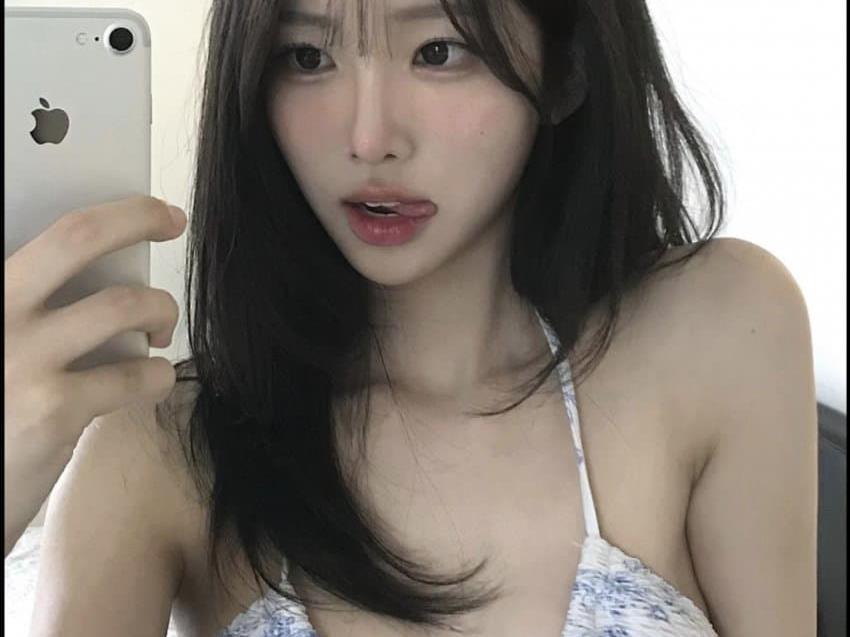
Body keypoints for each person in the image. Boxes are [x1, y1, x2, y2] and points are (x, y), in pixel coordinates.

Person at [6, 0, 818, 635]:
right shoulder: (160, 451)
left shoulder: (718, 330)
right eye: (308, 56)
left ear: (566, 66)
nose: (370, 139)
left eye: (438, 50)